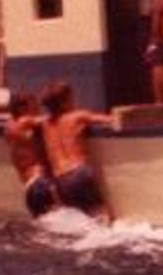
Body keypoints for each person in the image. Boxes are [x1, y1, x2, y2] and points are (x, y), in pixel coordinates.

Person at [39, 81, 113, 219]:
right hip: (79, 171)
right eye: (71, 98)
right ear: (64, 101)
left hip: (61, 179)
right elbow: (110, 120)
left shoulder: (44, 124)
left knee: (80, 222)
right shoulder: (78, 117)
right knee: (101, 216)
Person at [4, 93, 57, 217]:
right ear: (22, 109)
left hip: (29, 186)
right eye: (34, 106)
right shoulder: (25, 121)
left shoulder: (8, 126)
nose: (38, 109)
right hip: (41, 181)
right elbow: (51, 119)